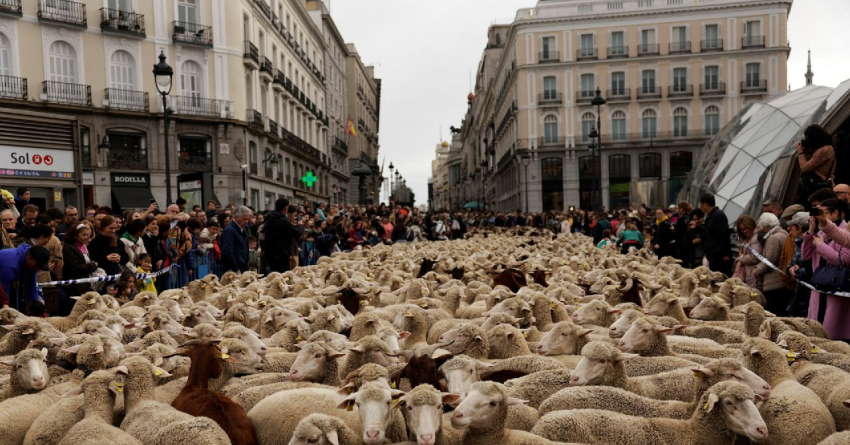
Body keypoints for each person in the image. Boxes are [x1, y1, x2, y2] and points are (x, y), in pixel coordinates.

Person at [804, 199, 850, 339]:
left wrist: (821, 247)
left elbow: (843, 260)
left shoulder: (844, 230)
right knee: (815, 332)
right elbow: (806, 255)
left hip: (836, 289)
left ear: (835, 213)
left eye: (822, 213)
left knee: (831, 336)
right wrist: (811, 232)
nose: (819, 216)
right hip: (819, 287)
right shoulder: (822, 233)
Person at [753, 213, 790, 315]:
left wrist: (757, 270)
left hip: (774, 282)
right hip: (783, 279)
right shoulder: (785, 234)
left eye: (763, 227)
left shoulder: (773, 238)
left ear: (767, 227)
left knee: (774, 312)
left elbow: (769, 260)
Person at [796, 124, 836, 208]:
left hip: (819, 184)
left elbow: (805, 168)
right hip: (818, 184)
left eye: (808, 138)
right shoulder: (824, 149)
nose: (807, 141)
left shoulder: (825, 150)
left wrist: (801, 153)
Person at [0, 244, 49, 310]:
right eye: (37, 266)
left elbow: (32, 287)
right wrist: (5, 307)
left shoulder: (31, 265)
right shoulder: (11, 266)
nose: (38, 269)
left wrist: (35, 309)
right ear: (29, 257)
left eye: (40, 267)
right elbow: (3, 290)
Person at [781, 212, 810, 317]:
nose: (789, 229)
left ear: (800, 228)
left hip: (807, 295)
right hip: (799, 292)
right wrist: (790, 269)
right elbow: (791, 264)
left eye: (792, 226)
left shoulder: (810, 244)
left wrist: (796, 271)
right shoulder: (798, 243)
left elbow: (812, 269)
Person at [262, 199, 303, 273]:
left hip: (270, 253)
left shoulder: (270, 217)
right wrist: (300, 226)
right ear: (285, 208)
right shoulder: (283, 220)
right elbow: (296, 233)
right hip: (281, 256)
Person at [700, 194, 732, 276]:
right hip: (713, 253)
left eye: (701, 204)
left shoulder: (718, 216)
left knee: (719, 277)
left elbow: (724, 235)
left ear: (706, 204)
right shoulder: (711, 216)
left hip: (719, 255)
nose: (700, 207)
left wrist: (726, 254)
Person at [220, 205, 251, 274]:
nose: (246, 222)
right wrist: (236, 269)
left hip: (241, 267)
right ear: (236, 217)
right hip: (233, 270)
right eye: (244, 219)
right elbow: (227, 252)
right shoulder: (230, 230)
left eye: (248, 219)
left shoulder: (242, 229)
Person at [733, 215, 761, 288]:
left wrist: (741, 259)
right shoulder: (749, 238)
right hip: (750, 274)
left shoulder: (755, 238)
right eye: (742, 229)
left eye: (746, 228)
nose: (745, 231)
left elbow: (755, 257)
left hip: (754, 275)